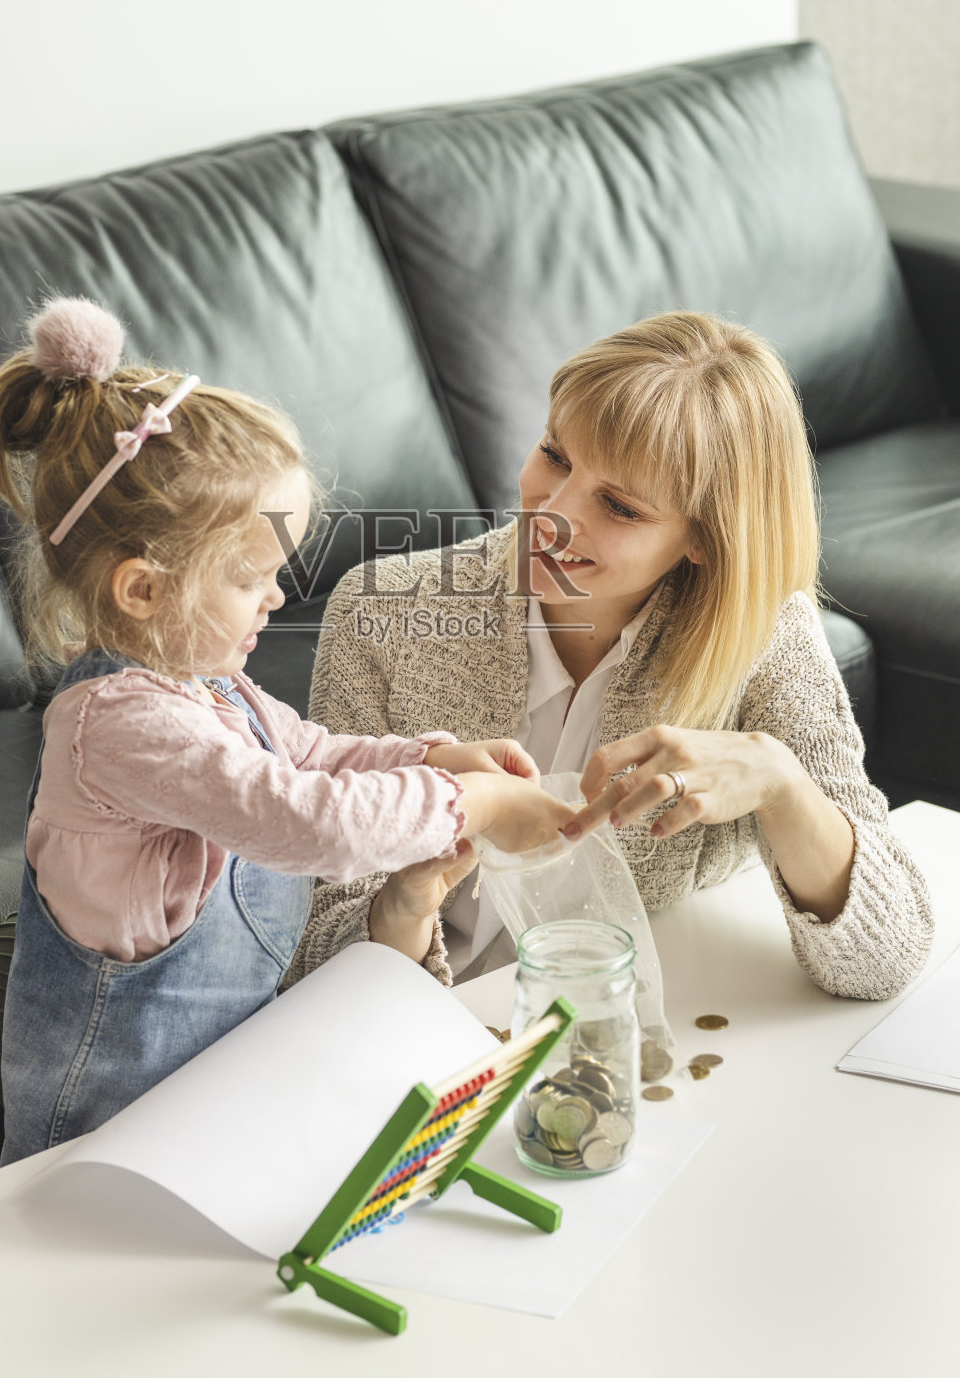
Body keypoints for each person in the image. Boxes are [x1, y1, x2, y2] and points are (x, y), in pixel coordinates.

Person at [0, 296, 577, 1164]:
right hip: (102, 1145)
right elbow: (307, 820)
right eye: (251, 576)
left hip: (209, 1112)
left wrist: (430, 755)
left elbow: (311, 754)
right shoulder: (118, 727)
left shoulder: (211, 688)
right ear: (143, 591)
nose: (277, 596)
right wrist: (466, 802)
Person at [294, 311, 933, 1000]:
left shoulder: (765, 638)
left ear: (704, 541)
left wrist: (781, 782)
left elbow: (883, 959)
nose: (553, 514)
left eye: (620, 507)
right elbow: (312, 951)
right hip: (423, 1025)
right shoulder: (382, 613)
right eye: (554, 456)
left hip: (643, 1020)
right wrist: (401, 908)